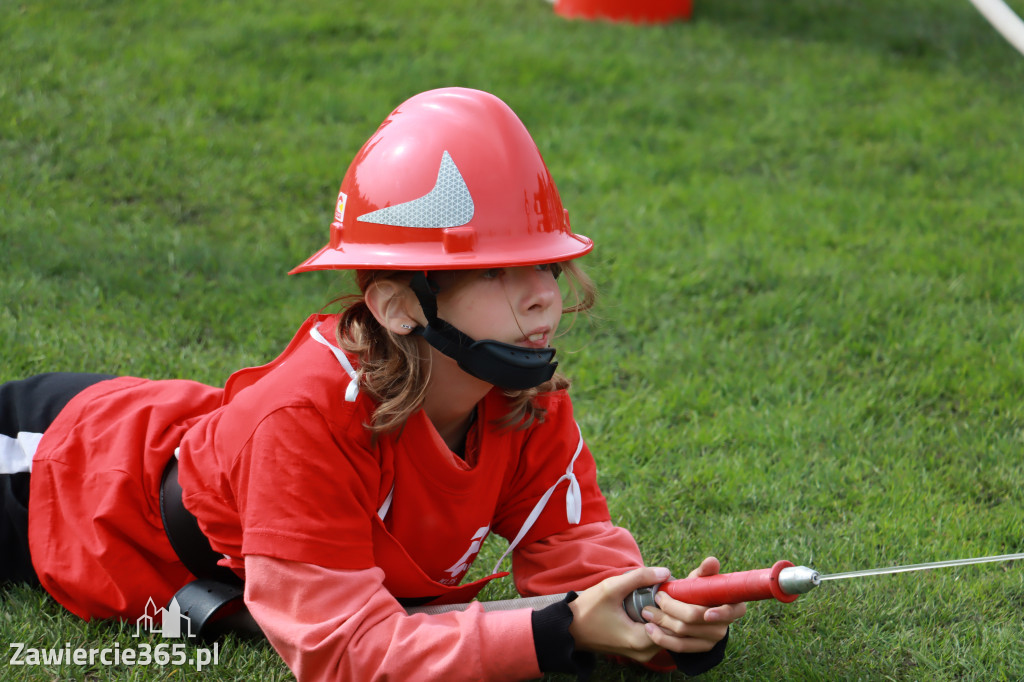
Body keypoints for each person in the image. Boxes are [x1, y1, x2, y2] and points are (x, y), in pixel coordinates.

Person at [0, 87, 745, 680]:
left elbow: (576, 551)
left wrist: (659, 615)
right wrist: (558, 629)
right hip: (60, 469)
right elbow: (348, 653)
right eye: (495, 271)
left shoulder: (526, 403)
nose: (543, 294)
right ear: (397, 304)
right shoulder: (303, 420)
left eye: (545, 263)